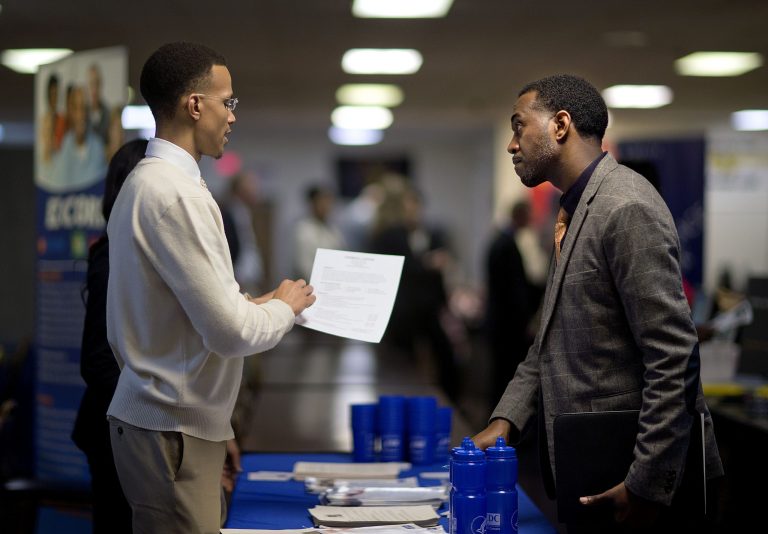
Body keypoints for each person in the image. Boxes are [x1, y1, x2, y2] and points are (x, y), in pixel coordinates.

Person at [472, 74, 723, 533]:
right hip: (589, 462)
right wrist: (507, 419)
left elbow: (673, 357)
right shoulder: (575, 209)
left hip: (631, 474)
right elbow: (549, 339)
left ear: (560, 125)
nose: (511, 144)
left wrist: (646, 481)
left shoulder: (625, 206)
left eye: (519, 126)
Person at [105, 42, 315, 534]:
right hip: (169, 430)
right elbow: (227, 333)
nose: (233, 116)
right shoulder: (173, 192)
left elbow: (186, 312)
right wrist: (280, 310)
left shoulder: (154, 182)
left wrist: (261, 304)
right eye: (229, 102)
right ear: (195, 104)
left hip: (166, 424)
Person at [71, 138, 148, 534]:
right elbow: (97, 361)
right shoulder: (111, 258)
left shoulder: (129, 252)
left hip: (123, 427)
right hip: (111, 431)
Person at [293, 184, 345, 281]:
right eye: (321, 201)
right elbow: (304, 267)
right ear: (312, 203)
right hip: (313, 285)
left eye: (329, 201)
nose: (326, 206)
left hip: (334, 281)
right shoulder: (304, 229)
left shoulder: (333, 229)